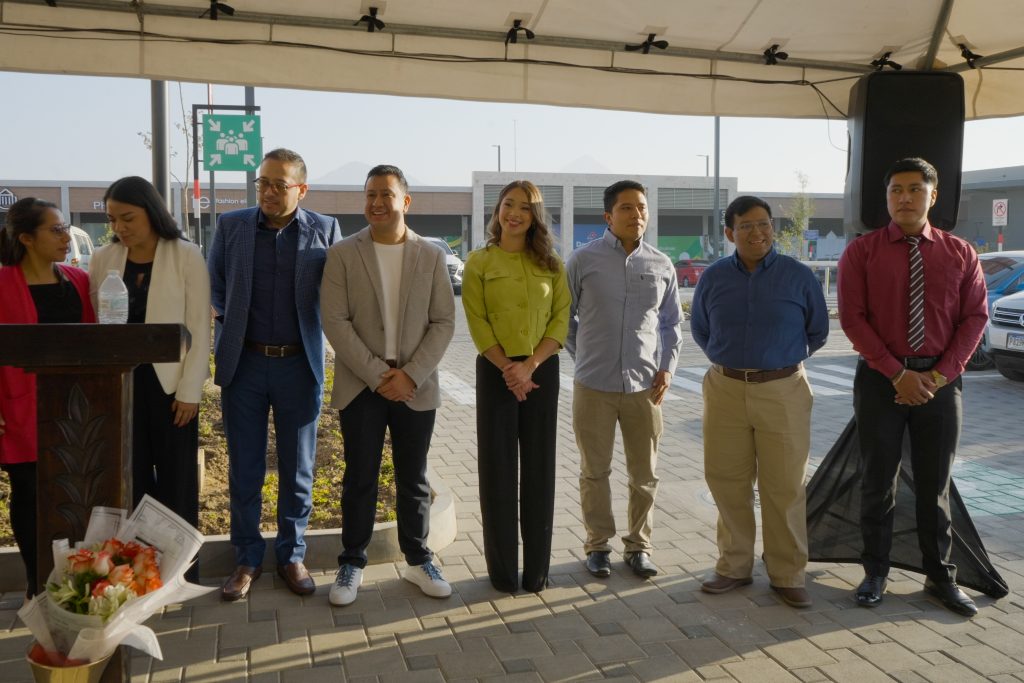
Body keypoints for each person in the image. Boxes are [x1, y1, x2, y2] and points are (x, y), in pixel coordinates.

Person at [838, 157, 987, 617]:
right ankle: (875, 571)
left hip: (941, 383)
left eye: (915, 189)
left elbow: (975, 318)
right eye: (896, 190)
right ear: (886, 197)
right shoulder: (861, 252)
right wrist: (896, 374)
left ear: (933, 195)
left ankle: (940, 576)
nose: (904, 198)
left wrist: (937, 377)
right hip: (880, 381)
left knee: (934, 484)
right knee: (877, 481)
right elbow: (852, 319)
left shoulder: (960, 253)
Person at [208, 148, 342, 601]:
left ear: (301, 189)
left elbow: (336, 293)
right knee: (244, 468)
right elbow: (215, 283)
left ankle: (291, 555)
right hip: (244, 364)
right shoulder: (231, 226)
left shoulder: (325, 230)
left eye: (278, 185)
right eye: (262, 182)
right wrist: (226, 317)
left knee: (298, 469)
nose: (267, 191)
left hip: (298, 366)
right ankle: (246, 559)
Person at [320, 165, 456, 606]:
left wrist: (410, 374)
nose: (376, 203)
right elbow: (335, 321)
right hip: (362, 386)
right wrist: (380, 375)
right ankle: (351, 562)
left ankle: (418, 558)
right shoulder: (343, 253)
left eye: (386, 194)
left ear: (405, 201)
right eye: (370, 195)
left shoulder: (430, 255)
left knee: (413, 477)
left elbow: (443, 321)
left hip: (416, 385)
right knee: (360, 476)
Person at [691, 195, 828, 609]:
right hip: (725, 388)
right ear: (730, 233)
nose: (757, 233)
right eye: (746, 226)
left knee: (784, 485)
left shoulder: (798, 276)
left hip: (783, 389)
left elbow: (818, 331)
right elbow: (701, 329)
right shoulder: (714, 277)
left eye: (764, 224)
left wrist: (779, 360)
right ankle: (734, 566)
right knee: (726, 480)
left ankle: (787, 574)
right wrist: (731, 360)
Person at [89, 177, 211, 571]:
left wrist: (190, 391)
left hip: (171, 385)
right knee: (131, 478)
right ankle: (139, 570)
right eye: (112, 219)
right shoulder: (103, 258)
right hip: (122, 384)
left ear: (152, 212)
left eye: (128, 218)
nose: (119, 227)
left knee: (177, 480)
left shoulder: (185, 254)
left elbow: (199, 327)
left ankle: (182, 571)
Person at [566, 180, 681, 580]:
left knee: (644, 475)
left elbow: (671, 324)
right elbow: (563, 318)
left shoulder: (661, 264)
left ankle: (639, 547)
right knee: (594, 472)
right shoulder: (583, 260)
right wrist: (584, 355)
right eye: (627, 208)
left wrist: (667, 367)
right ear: (608, 216)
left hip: (644, 387)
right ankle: (598, 545)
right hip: (593, 386)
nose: (637, 215)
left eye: (642, 207)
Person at [462, 180, 570, 593]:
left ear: (535, 216)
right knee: (498, 470)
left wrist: (530, 366)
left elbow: (561, 319)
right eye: (509, 204)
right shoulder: (479, 262)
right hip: (496, 371)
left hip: (541, 370)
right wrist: (510, 368)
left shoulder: (552, 265)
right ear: (498, 210)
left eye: (525, 207)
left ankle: (537, 571)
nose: (515, 213)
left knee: (540, 468)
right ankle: (503, 573)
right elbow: (476, 320)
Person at [0, 198, 96, 597]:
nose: (65, 237)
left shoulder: (79, 280)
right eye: (55, 230)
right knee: (29, 492)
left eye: (66, 228)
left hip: (74, 409)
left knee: (73, 492)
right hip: (19, 407)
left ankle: (75, 580)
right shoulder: (3, 285)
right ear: (26, 238)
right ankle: (37, 583)